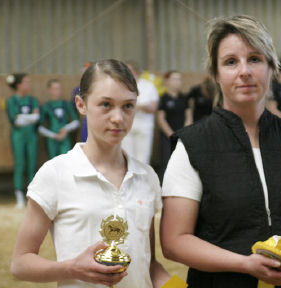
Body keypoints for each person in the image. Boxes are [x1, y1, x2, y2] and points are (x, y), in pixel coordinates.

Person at [160, 15, 281, 288]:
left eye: (255, 59)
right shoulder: (192, 145)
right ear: (216, 75)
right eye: (231, 62)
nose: (244, 71)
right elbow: (174, 242)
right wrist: (244, 264)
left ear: (271, 68)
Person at [11, 59, 169, 288]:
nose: (118, 117)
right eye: (106, 104)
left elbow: (149, 265)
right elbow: (20, 263)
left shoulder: (147, 176)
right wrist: (72, 268)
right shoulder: (55, 174)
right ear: (81, 104)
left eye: (128, 106)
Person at [6, 73, 40, 208]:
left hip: (31, 135)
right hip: (18, 136)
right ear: (19, 85)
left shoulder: (33, 100)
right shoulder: (11, 101)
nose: (28, 85)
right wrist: (30, 117)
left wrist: (22, 117)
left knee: (32, 165)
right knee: (20, 165)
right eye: (26, 82)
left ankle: (32, 197)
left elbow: (36, 118)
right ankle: (19, 197)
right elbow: (15, 121)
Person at [157, 70, 192, 181]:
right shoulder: (163, 98)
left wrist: (184, 133)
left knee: (183, 161)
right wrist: (172, 135)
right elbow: (161, 119)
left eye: (179, 79)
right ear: (168, 81)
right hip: (168, 137)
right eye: (174, 79)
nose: (177, 82)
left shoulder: (184, 98)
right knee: (167, 162)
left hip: (183, 136)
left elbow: (189, 116)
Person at [122, 60, 159, 164]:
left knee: (143, 158)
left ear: (136, 72)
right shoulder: (121, 86)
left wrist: (138, 107)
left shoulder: (148, 86)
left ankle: (142, 180)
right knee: (127, 157)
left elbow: (153, 107)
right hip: (126, 126)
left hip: (144, 126)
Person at [39, 79, 80, 159]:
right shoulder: (46, 106)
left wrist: (66, 128)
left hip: (65, 138)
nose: (57, 91)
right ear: (49, 90)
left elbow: (76, 121)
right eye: (54, 89)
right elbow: (39, 127)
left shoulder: (66, 104)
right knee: (53, 163)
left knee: (65, 160)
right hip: (52, 140)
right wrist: (53, 135)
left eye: (59, 88)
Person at [71, 62, 91, 142]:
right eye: (83, 72)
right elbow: (73, 108)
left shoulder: (101, 88)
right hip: (85, 121)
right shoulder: (77, 90)